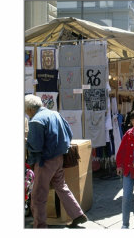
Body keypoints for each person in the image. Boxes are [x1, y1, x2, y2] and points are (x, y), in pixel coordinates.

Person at [25, 94, 87, 228]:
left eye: (26, 110)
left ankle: (40, 226)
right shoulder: (55, 114)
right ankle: (77, 214)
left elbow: (35, 146)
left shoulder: (36, 120)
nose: (26, 113)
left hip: (45, 161)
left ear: (29, 109)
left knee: (38, 195)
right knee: (61, 187)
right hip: (59, 158)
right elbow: (69, 133)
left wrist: (26, 143)